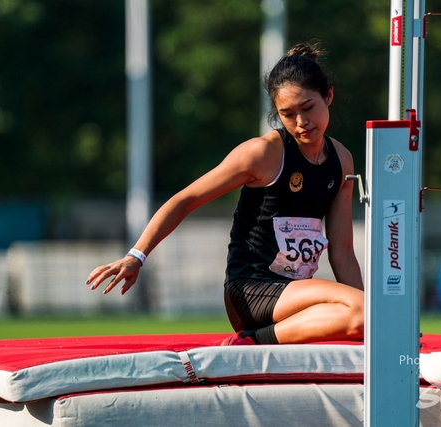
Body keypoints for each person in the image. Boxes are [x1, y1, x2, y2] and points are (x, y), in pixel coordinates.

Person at [86, 42, 364, 345]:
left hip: (295, 294)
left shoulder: (342, 160)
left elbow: (343, 251)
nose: (301, 122)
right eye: (287, 114)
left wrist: (374, 326)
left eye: (308, 108)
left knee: (364, 317)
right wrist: (136, 256)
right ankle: (250, 343)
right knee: (365, 311)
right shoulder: (263, 154)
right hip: (252, 290)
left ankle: (269, 338)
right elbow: (186, 199)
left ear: (329, 96)